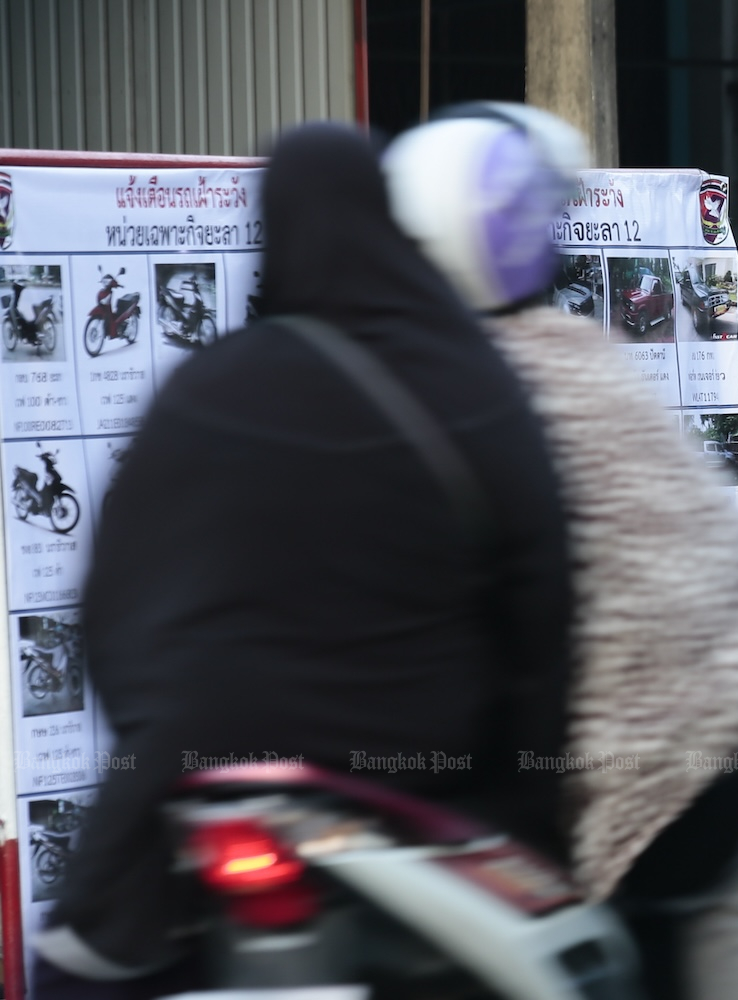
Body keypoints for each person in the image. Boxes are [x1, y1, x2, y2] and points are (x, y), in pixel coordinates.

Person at [34, 123, 576, 985]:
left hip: (194, 788)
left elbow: (109, 609)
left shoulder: (208, 385)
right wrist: (528, 800)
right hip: (418, 794)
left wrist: (158, 733)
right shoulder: (474, 386)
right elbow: (542, 615)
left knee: (77, 962)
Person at [381, 105, 738, 1000]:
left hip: (447, 811)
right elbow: (697, 559)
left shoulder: (382, 381)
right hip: (626, 801)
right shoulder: (579, 372)